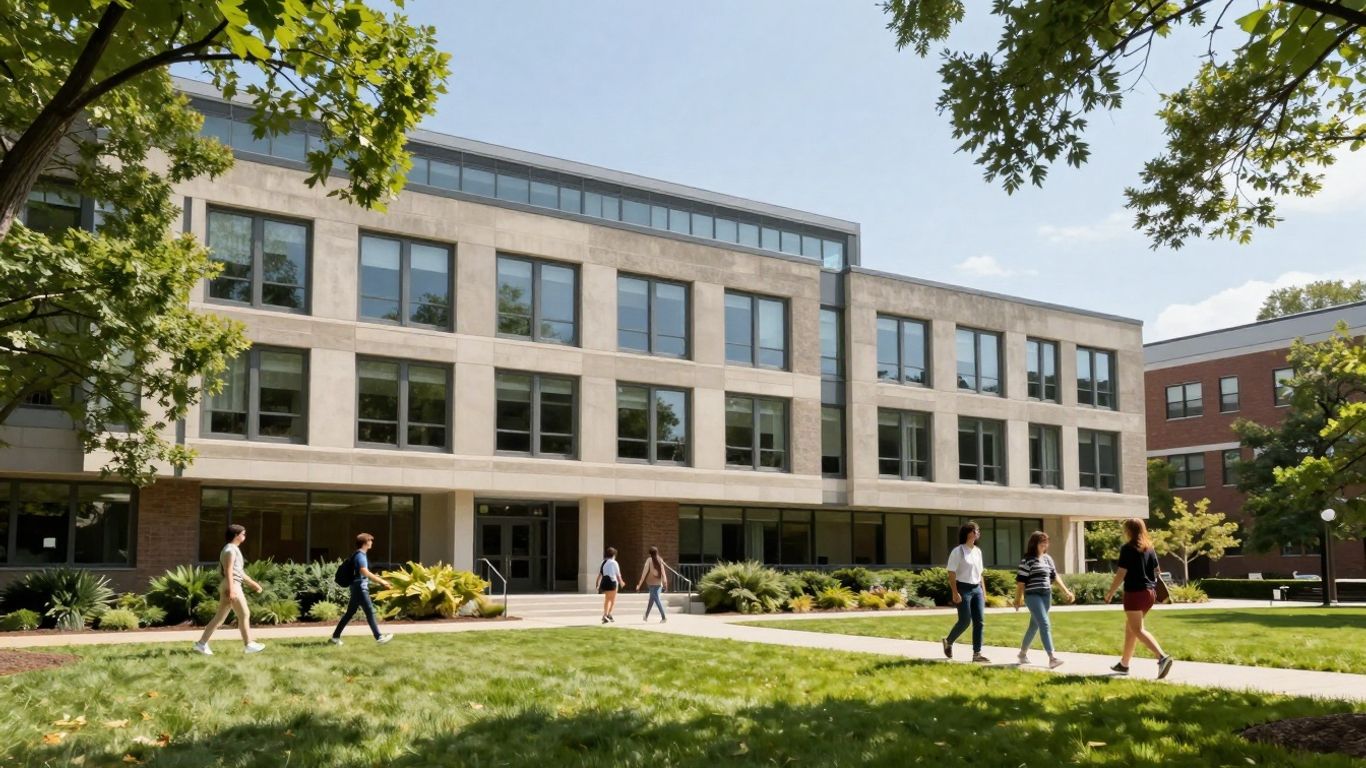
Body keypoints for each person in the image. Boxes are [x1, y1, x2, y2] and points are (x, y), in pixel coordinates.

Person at [1104, 518, 1175, 679]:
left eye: (1125, 529)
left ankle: (1162, 657)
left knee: (1137, 629)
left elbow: (1121, 573)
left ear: (1129, 531)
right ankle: (1124, 664)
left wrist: (1110, 593)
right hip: (1149, 594)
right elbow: (1157, 571)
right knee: (1131, 628)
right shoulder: (1149, 548)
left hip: (1134, 593)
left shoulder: (1127, 549)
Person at [193, 524, 265, 655]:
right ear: (236, 535)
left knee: (220, 618)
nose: (244, 536)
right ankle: (249, 644)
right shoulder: (230, 550)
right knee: (244, 614)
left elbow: (239, 572)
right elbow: (229, 571)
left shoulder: (233, 549)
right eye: (243, 534)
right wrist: (232, 590)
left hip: (232, 584)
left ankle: (201, 644)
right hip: (232, 585)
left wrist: (253, 584)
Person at [1014, 531, 1075, 669]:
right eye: (1042, 542)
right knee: (1045, 623)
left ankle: (1022, 654)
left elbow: (1054, 577)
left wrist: (1066, 591)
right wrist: (1018, 599)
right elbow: (1021, 582)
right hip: (1032, 595)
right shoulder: (1027, 560)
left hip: (1046, 595)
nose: (1045, 544)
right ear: (1034, 543)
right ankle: (1052, 657)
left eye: (1046, 542)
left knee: (1034, 626)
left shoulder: (1048, 559)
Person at [330, 532, 394, 646]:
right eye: (370, 540)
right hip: (360, 588)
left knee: (350, 613)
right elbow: (363, 571)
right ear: (365, 543)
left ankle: (335, 637)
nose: (372, 542)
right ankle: (379, 637)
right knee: (369, 611)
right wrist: (381, 581)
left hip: (356, 587)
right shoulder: (360, 555)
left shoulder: (358, 554)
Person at [940, 522, 989, 663]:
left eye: (978, 530)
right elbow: (951, 572)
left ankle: (977, 654)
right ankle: (948, 641)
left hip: (976, 589)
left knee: (979, 621)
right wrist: (955, 592)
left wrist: (983, 592)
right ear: (968, 533)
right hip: (963, 588)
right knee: (965, 620)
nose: (978, 532)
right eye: (975, 530)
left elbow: (980, 573)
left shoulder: (978, 551)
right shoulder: (958, 551)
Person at [635, 546, 669, 623]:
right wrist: (665, 583)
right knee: (652, 599)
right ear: (657, 552)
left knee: (656, 599)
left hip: (651, 583)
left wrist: (639, 585)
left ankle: (663, 617)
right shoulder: (660, 560)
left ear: (650, 553)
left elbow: (644, 574)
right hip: (658, 584)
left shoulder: (649, 560)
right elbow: (663, 574)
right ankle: (646, 616)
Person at [596, 546, 623, 624]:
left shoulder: (603, 562)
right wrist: (621, 582)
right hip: (612, 582)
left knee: (607, 599)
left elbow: (600, 574)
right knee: (613, 600)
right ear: (613, 555)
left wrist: (597, 584)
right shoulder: (614, 562)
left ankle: (605, 614)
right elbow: (618, 575)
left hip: (605, 582)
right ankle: (608, 614)